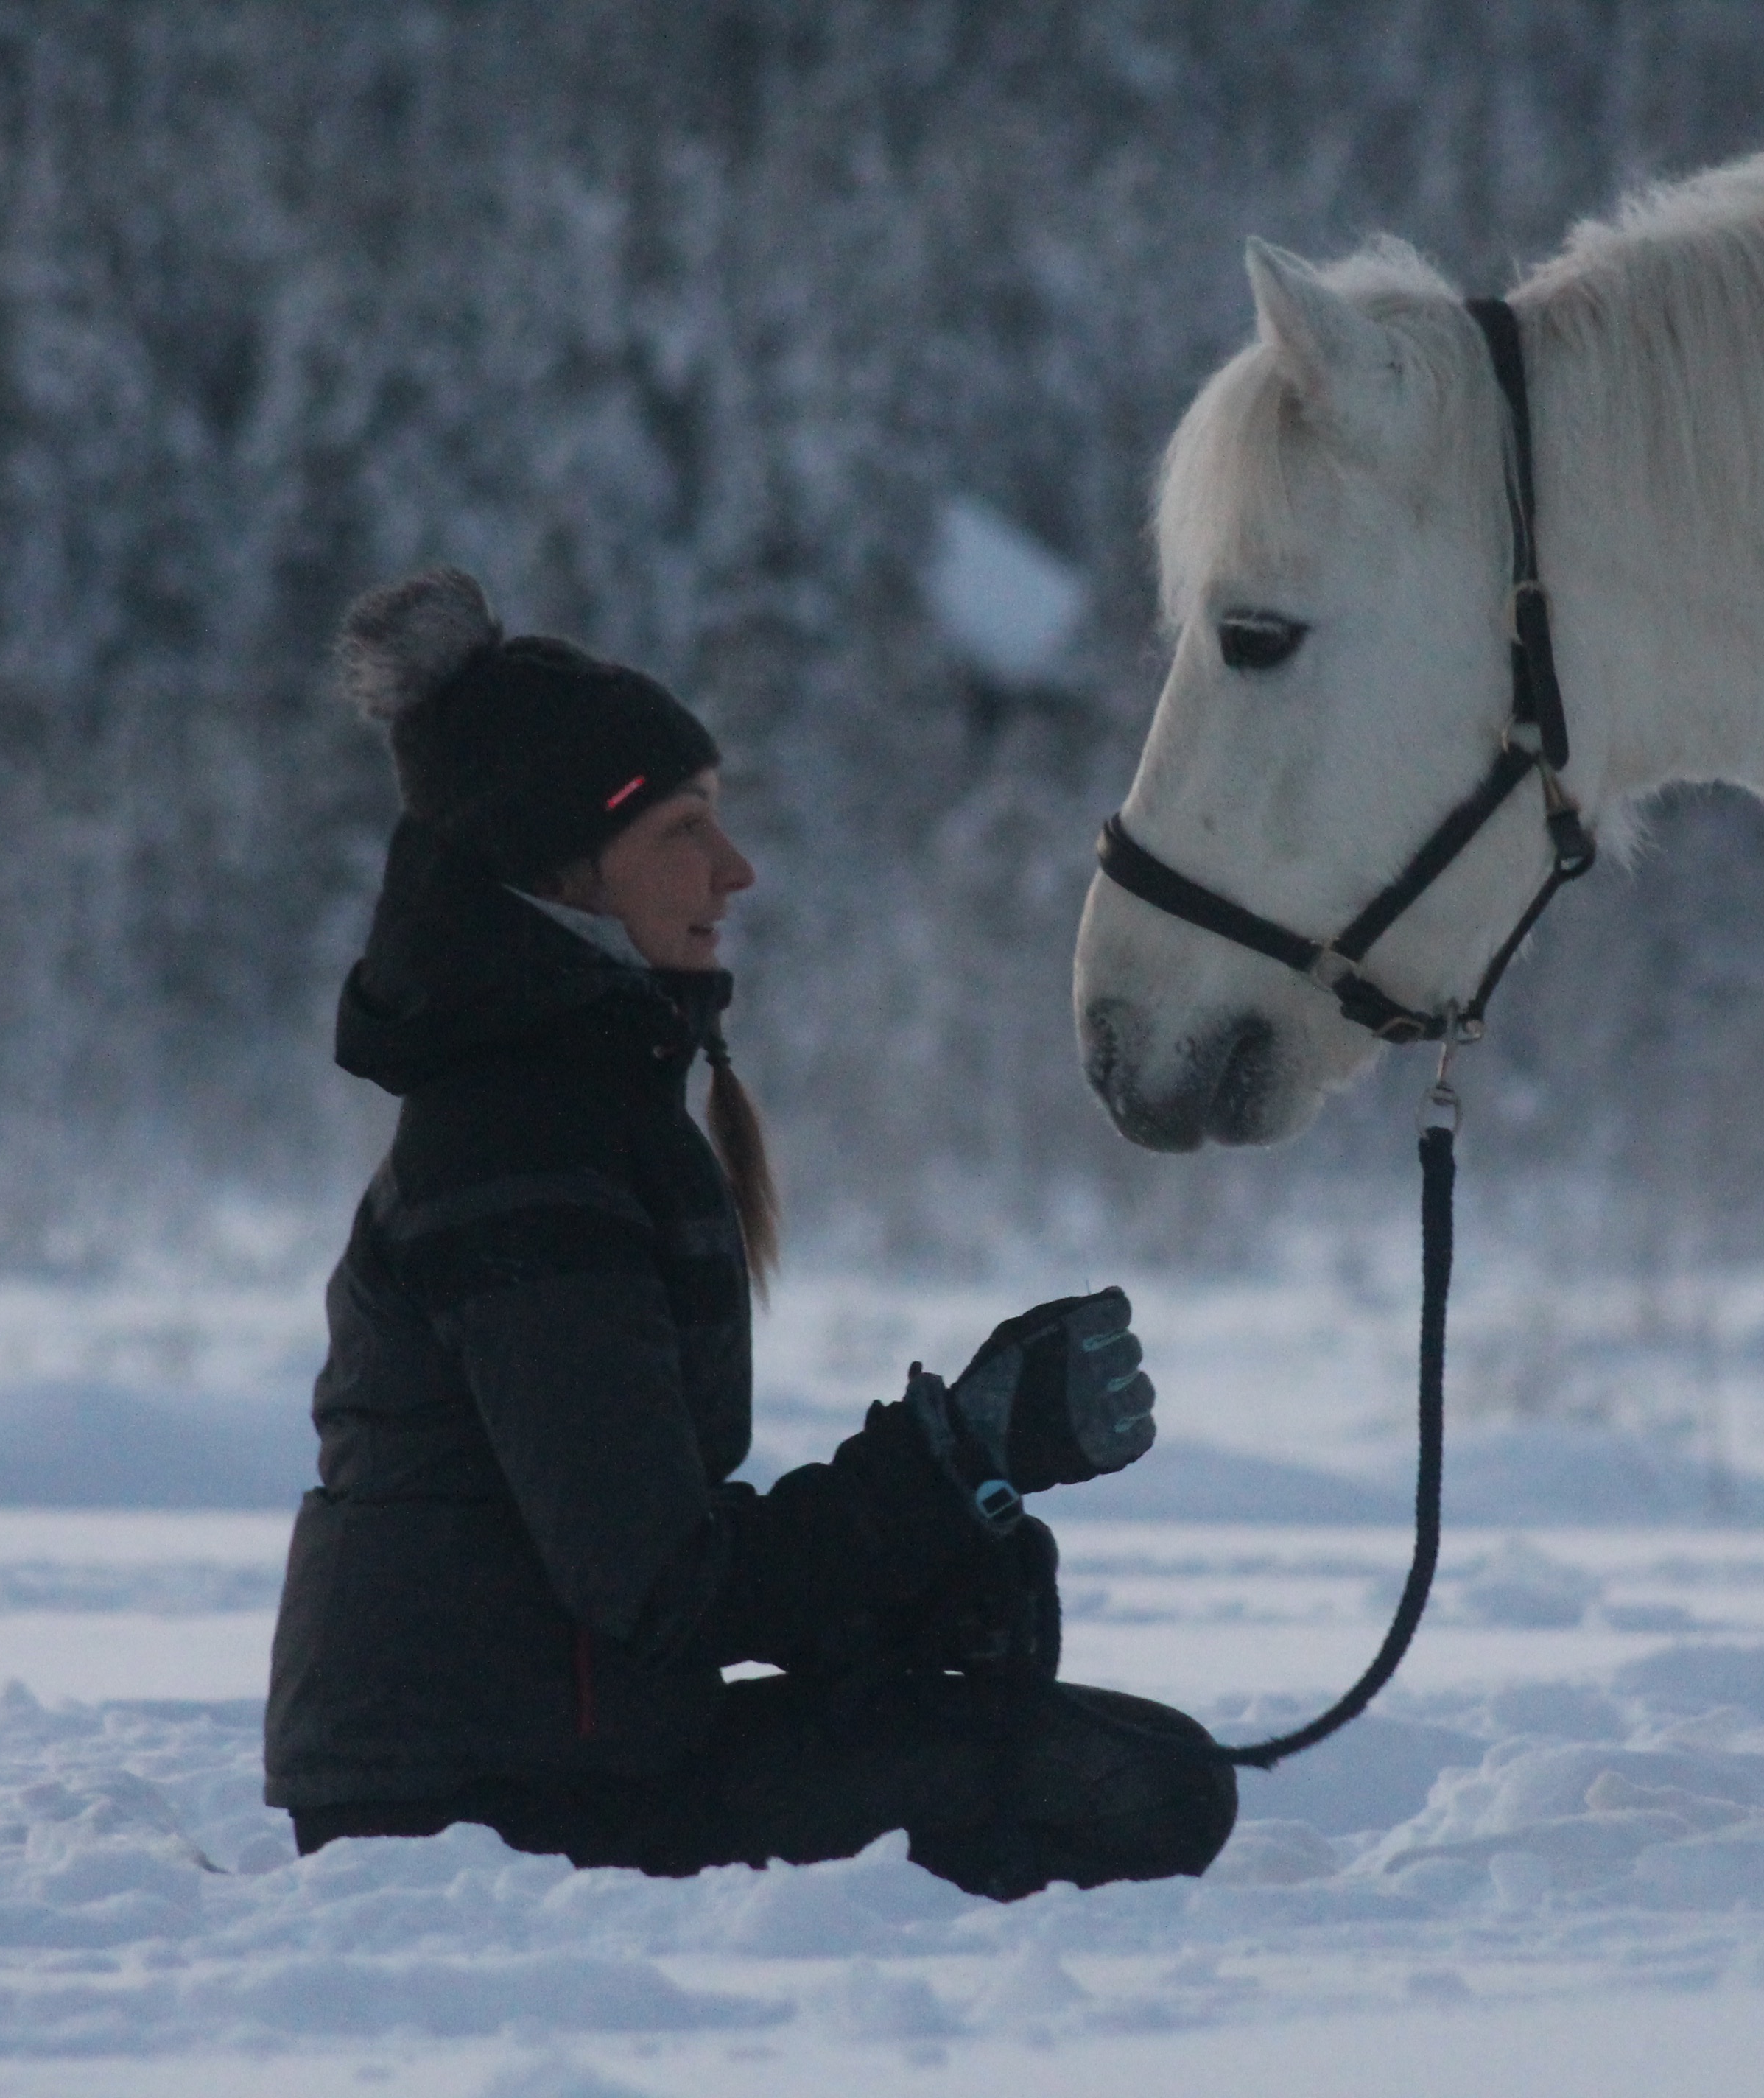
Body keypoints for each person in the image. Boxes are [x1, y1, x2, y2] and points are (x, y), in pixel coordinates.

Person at [264, 568, 1237, 1898]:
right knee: (1141, 1793)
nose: (735, 868)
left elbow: (647, 1567)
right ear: (562, 869)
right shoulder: (525, 1148)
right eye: (681, 828)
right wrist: (956, 1466)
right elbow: (661, 1587)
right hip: (477, 1808)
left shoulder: (574, 1106)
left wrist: (948, 1541)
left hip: (565, 1753)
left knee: (1136, 1766)